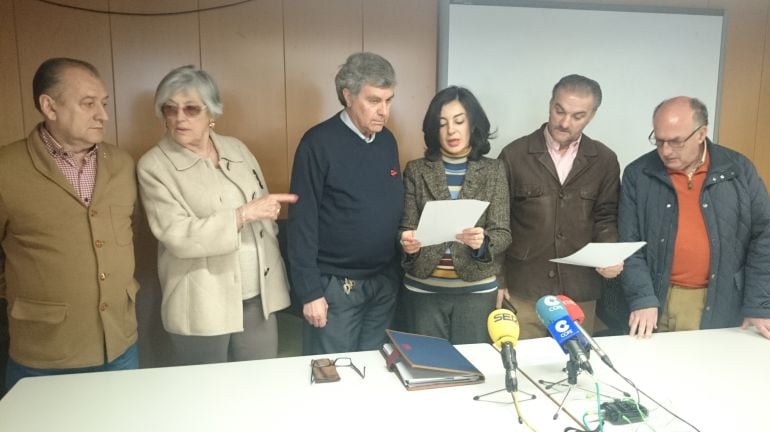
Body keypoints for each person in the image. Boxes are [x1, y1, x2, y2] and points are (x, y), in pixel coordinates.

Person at [137, 65, 297, 365]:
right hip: (201, 303)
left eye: (191, 109)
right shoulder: (154, 166)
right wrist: (241, 215)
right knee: (206, 388)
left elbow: (261, 205)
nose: (179, 118)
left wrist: (268, 212)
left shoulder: (237, 149)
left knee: (260, 382)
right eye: (170, 109)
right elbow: (178, 236)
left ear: (211, 112)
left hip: (257, 296)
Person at [0, 57, 139, 390]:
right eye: (88, 104)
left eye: (104, 103)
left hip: (118, 343)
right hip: (45, 354)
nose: (103, 115)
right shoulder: (7, 168)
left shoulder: (122, 164)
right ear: (49, 106)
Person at [620, 96, 770, 339]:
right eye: (659, 141)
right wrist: (642, 297)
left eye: (676, 141)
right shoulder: (638, 174)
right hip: (656, 299)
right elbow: (628, 244)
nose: (665, 151)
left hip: (721, 299)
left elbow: (764, 238)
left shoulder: (738, 170)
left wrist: (759, 304)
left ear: (701, 134)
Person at [288, 52, 404, 355]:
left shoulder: (387, 141)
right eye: (374, 100)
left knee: (376, 368)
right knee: (334, 372)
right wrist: (310, 292)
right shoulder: (317, 143)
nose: (384, 111)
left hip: (382, 283)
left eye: (389, 100)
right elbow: (302, 222)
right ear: (348, 96)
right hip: (336, 287)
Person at [498, 74, 622, 339]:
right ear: (550, 104)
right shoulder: (514, 155)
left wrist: (609, 255)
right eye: (559, 111)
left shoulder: (604, 160)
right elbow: (498, 222)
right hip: (524, 289)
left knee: (574, 361)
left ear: (592, 116)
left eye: (577, 116)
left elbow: (606, 217)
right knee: (523, 362)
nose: (565, 122)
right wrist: (499, 280)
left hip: (579, 291)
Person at [399, 86, 511, 344]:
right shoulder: (416, 170)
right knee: (428, 363)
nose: (451, 131)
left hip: (476, 289)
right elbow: (405, 226)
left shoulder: (494, 170)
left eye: (459, 121)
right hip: (423, 289)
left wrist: (483, 242)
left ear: (473, 124)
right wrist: (407, 243)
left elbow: (502, 232)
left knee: (472, 365)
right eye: (442, 124)